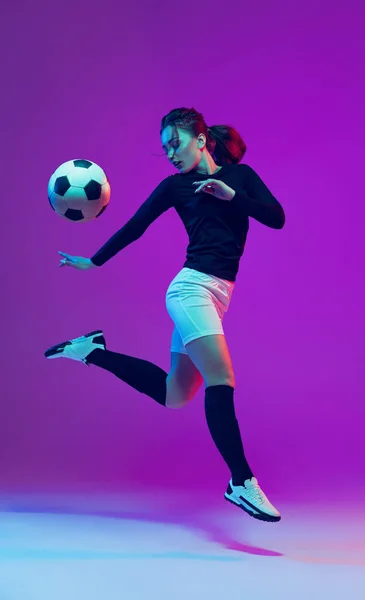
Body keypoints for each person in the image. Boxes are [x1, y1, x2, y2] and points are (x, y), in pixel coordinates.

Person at [45, 107, 285, 522]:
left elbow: (276, 218)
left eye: (176, 143)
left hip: (218, 295)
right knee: (221, 379)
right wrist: (94, 262)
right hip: (191, 290)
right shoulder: (175, 187)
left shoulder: (241, 177)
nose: (171, 154)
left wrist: (232, 197)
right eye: (165, 148)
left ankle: (91, 351)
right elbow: (136, 226)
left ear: (201, 139)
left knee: (176, 396)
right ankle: (241, 482)